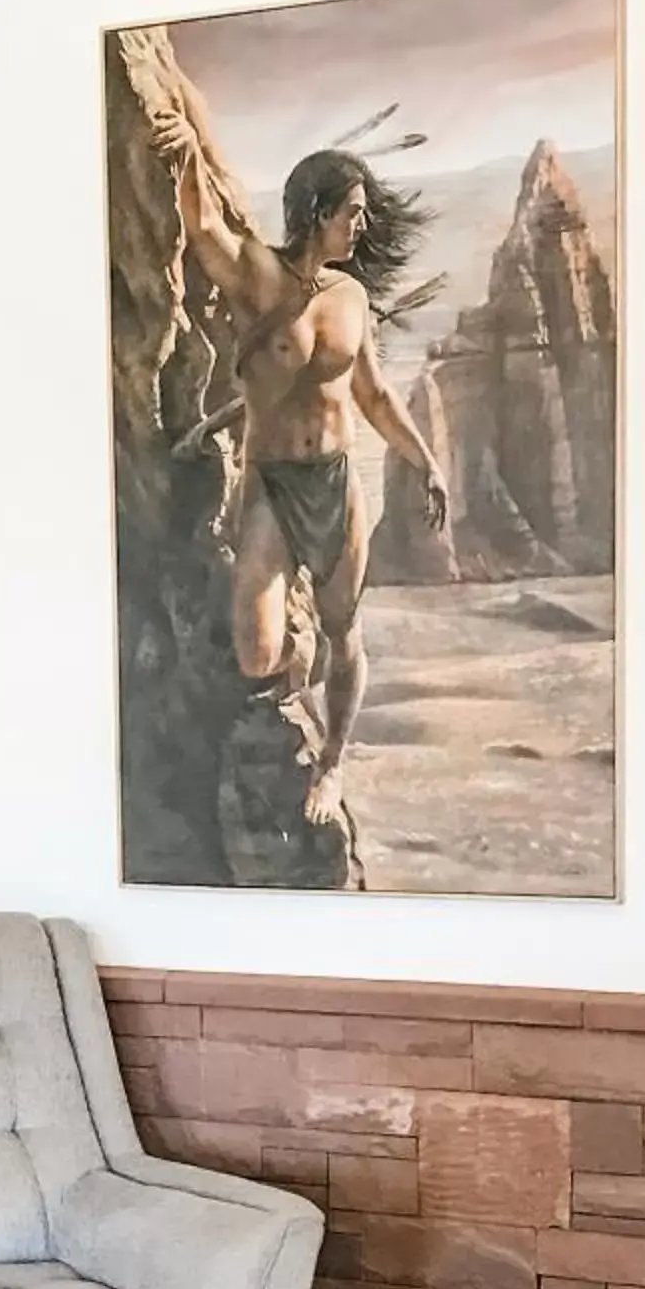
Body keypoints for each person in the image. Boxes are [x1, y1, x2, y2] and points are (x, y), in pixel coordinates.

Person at [152, 110, 450, 828]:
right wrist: (187, 154)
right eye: (351, 213)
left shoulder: (351, 299)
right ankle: (297, 651)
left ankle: (334, 763)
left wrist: (427, 461)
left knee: (346, 631)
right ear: (315, 213)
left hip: (337, 482)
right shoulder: (258, 275)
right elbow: (204, 231)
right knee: (258, 653)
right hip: (272, 486)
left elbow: (372, 393)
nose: (361, 226)